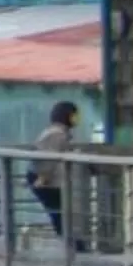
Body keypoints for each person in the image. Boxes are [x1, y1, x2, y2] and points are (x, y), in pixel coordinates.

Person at [29, 99, 80, 236]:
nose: (77, 119)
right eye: (74, 115)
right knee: (59, 214)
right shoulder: (57, 134)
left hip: (50, 180)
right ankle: (74, 246)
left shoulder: (58, 132)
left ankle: (73, 244)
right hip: (47, 181)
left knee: (60, 214)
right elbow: (48, 158)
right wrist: (43, 178)